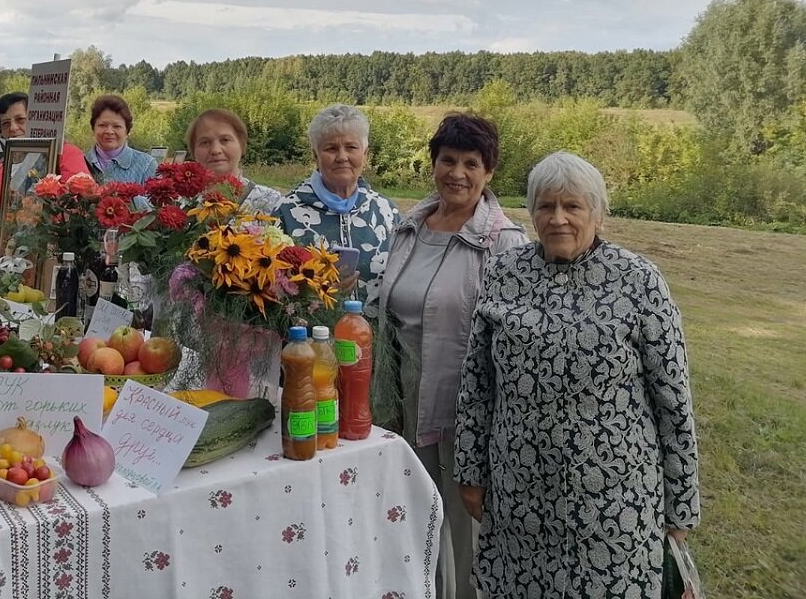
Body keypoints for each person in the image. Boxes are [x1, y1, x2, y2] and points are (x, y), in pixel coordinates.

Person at [455, 151, 700, 598]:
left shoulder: (639, 280)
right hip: (519, 497)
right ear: (531, 213)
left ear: (598, 214)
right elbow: (476, 384)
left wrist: (681, 508)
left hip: (614, 503)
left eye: (573, 206)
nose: (558, 218)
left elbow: (673, 399)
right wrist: (470, 470)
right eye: (546, 206)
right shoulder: (504, 273)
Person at [378, 113, 527, 599]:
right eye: (447, 160)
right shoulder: (411, 227)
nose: (457, 173)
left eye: (471, 163)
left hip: (463, 405)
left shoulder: (504, 244)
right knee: (412, 509)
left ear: (489, 173)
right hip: (400, 393)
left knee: (461, 523)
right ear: (433, 164)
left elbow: (514, 344)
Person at [275, 104, 400, 315]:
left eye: (351, 147)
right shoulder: (286, 212)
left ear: (366, 154)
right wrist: (314, 292)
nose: (342, 157)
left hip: (375, 343)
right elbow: (270, 289)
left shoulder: (387, 212)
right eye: (331, 148)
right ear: (316, 156)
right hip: (308, 343)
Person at [186, 108, 281, 214]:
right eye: (205, 142)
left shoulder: (270, 201)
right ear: (193, 151)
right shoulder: (178, 202)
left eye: (225, 140)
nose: (215, 150)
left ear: (242, 145)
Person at [83, 94, 157, 184]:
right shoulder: (79, 162)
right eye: (102, 125)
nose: (109, 131)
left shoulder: (146, 165)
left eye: (117, 126)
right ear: (93, 128)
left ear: (127, 131)